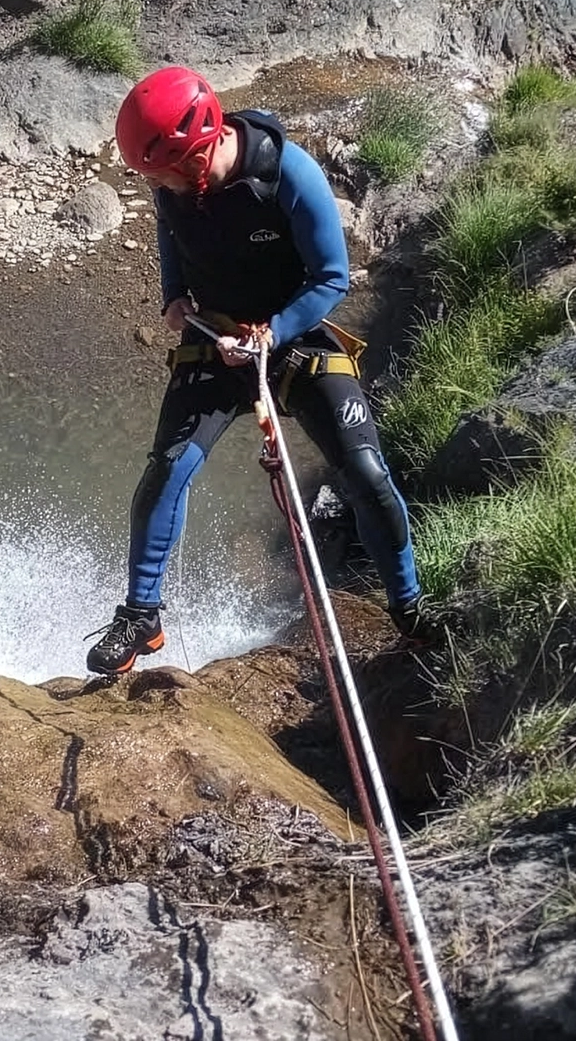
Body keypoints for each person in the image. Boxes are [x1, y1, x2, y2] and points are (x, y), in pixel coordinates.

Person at [84, 65, 422, 676]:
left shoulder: (287, 175)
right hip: (214, 338)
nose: (152, 185)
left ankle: (409, 605)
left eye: (158, 171)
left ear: (200, 148)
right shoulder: (173, 186)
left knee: (366, 471)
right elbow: (171, 234)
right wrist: (174, 297)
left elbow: (331, 278)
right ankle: (141, 617)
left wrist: (272, 334)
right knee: (166, 470)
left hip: (292, 335)